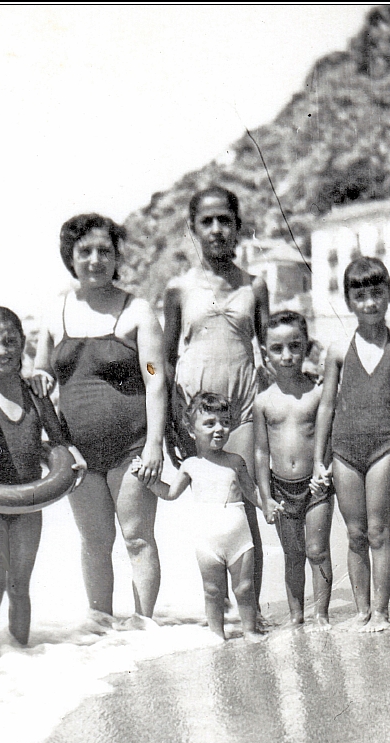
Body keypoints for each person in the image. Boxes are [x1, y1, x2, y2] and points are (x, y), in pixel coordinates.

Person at [31, 214, 166, 627]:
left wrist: (154, 445)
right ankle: (103, 630)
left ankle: (145, 627)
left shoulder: (137, 310)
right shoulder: (55, 313)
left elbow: (157, 382)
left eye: (104, 251)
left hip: (132, 447)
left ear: (116, 256)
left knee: (138, 539)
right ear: (69, 257)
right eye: (84, 251)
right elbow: (40, 382)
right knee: (94, 542)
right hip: (78, 454)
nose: (95, 259)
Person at [164, 186, 269, 610]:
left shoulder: (255, 285)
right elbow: (159, 360)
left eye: (225, 220)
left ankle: (251, 609)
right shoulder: (178, 289)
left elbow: (269, 347)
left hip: (243, 407)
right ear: (193, 230)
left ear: (238, 227)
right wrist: (168, 405)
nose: (216, 229)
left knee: (241, 505)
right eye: (206, 221)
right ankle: (215, 609)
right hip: (195, 411)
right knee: (209, 508)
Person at [314, 258, 390, 632]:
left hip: (383, 448)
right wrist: (319, 459)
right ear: (348, 301)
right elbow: (326, 405)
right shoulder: (336, 350)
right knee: (355, 534)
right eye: (360, 296)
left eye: (377, 294)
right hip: (343, 451)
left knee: (379, 532)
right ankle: (361, 610)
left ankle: (381, 612)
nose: (369, 303)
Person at [0, 306, 85, 646]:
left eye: (9, 341)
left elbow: (60, 442)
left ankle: (22, 659)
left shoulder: (36, 394)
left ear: (22, 343)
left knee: (20, 586)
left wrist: (74, 460)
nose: (2, 351)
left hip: (28, 506)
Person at [132, 392, 262, 642]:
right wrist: (147, 481)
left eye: (225, 422)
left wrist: (268, 506)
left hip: (239, 537)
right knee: (212, 591)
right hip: (208, 540)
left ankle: (250, 631)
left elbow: (250, 491)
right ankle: (216, 635)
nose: (219, 429)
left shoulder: (236, 461)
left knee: (245, 588)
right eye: (210, 423)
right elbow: (169, 493)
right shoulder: (190, 465)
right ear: (192, 430)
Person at [254, 311, 334, 628]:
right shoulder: (262, 401)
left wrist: (323, 471)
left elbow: (326, 438)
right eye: (277, 348)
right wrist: (264, 496)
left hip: (316, 487)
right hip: (280, 488)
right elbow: (260, 452)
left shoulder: (317, 393)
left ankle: (322, 615)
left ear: (307, 347)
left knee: (317, 551)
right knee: (293, 555)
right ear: (265, 352)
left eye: (295, 346)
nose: (287, 356)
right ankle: (296, 616)